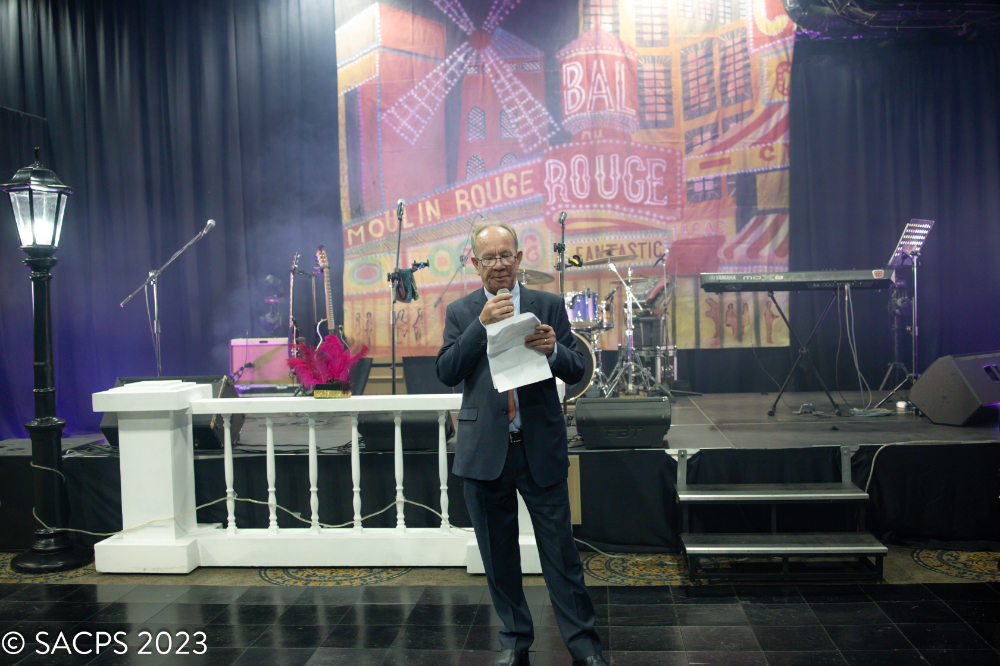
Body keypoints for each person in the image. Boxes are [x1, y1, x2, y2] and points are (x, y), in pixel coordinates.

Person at [436, 222, 607, 666]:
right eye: (488, 257)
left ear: (518, 258)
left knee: (561, 556)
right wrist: (480, 325)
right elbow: (447, 371)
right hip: (485, 453)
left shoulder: (547, 305)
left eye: (505, 255)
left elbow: (577, 369)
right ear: (474, 263)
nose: (498, 264)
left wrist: (554, 351)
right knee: (499, 559)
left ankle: (584, 647)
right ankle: (514, 642)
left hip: (539, 449)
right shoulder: (461, 311)